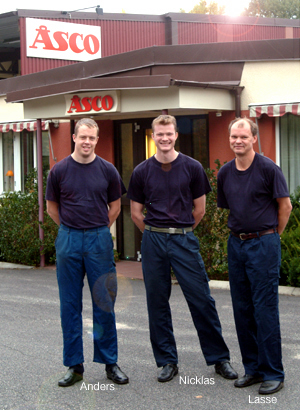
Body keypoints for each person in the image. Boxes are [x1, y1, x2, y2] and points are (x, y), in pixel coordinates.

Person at [127, 114, 238, 383]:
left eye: (169, 133)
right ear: (153, 136)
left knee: (201, 299)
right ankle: (167, 361)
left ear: (176, 135)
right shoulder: (141, 171)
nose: (164, 138)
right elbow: (135, 213)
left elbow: (199, 210)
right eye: (159, 134)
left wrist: (179, 231)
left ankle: (219, 358)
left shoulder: (192, 167)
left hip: (184, 240)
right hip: (153, 241)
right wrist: (156, 234)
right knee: (157, 301)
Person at [46, 118, 129, 387]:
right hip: (68, 239)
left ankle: (109, 362)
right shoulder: (59, 171)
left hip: (98, 240)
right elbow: (51, 208)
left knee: (103, 302)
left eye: (92, 138)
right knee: (70, 305)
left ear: (96, 139)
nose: (87, 142)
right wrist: (72, 231)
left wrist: (97, 230)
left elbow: (115, 207)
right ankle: (74, 365)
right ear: (74, 137)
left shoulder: (108, 170)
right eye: (83, 137)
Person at [217, 117, 292, 395]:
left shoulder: (268, 168)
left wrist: (273, 236)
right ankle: (253, 369)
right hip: (236, 245)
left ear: (254, 139)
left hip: (263, 244)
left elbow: (285, 207)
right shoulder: (225, 172)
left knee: (264, 310)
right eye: (234, 137)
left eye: (243, 137)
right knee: (242, 309)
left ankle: (273, 373)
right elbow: (230, 208)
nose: (238, 141)